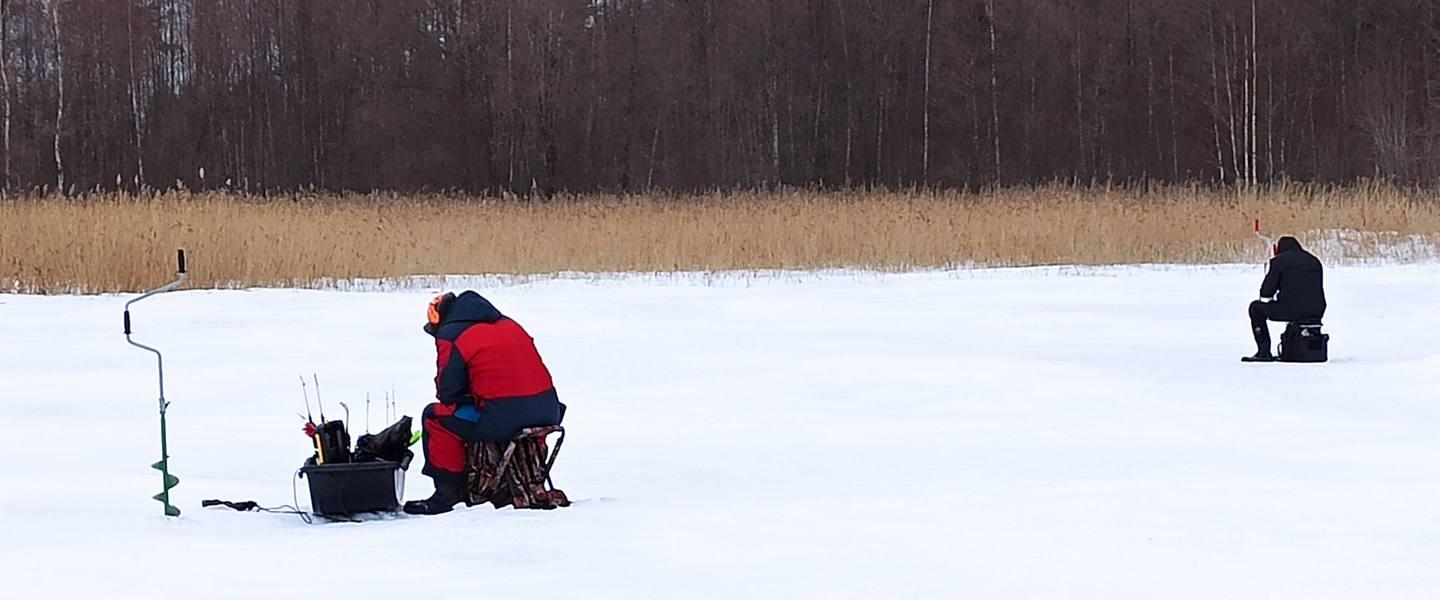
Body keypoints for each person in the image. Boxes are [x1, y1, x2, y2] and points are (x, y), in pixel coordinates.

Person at [404, 291, 566, 515]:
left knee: (434, 417)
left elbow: (447, 392)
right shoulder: (509, 324)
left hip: (504, 417)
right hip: (549, 410)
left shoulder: (452, 334)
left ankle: (446, 495)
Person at [1242, 236, 1326, 362]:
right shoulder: (1314, 260)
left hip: (1291, 310)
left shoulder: (1280, 261)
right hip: (1317, 310)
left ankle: (1263, 352)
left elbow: (1266, 293)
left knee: (1255, 308)